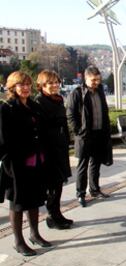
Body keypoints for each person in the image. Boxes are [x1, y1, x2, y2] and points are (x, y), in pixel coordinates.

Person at [0, 71, 51, 256]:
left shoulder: (33, 105)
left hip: (36, 161)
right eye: (21, 85)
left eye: (28, 84)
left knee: (35, 200)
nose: (25, 88)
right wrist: (9, 163)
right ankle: (18, 241)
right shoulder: (7, 108)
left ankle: (35, 234)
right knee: (18, 203)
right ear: (13, 87)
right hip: (16, 165)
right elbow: (2, 140)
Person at [66, 66, 113, 207]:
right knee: (83, 166)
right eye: (93, 80)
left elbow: (104, 111)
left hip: (99, 134)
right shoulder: (77, 93)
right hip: (85, 136)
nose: (96, 82)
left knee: (95, 164)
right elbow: (70, 115)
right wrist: (79, 132)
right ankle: (80, 194)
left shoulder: (100, 92)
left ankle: (95, 189)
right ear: (85, 78)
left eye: (98, 79)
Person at [35, 70, 73, 229]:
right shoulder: (39, 102)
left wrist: (67, 141)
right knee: (51, 184)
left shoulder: (58, 99)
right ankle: (51, 216)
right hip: (48, 149)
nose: (55, 85)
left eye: (56, 82)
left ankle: (57, 213)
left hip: (60, 147)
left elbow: (63, 123)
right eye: (50, 83)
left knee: (58, 183)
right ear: (42, 85)